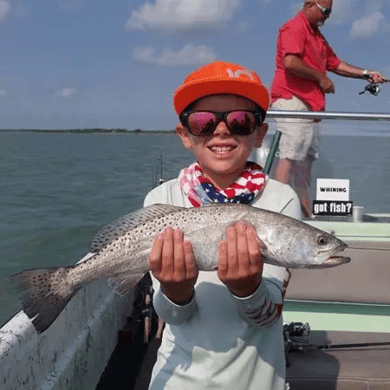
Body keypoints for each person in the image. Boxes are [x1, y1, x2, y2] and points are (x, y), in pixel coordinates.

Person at [144, 60, 301, 389]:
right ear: (185, 135)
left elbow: (267, 316)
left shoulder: (281, 199)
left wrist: (248, 290)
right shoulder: (163, 197)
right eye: (203, 122)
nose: (221, 130)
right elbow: (173, 317)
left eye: (240, 121)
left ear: (260, 133)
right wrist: (175, 291)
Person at [270, 0, 387, 218]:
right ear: (309, 5)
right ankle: (277, 213)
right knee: (289, 154)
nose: (327, 16)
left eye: (330, 13)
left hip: (310, 107)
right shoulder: (294, 27)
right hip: (291, 99)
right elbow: (290, 62)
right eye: (325, 11)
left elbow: (336, 64)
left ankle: (305, 215)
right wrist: (320, 77)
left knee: (305, 160)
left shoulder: (318, 38)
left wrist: (366, 73)